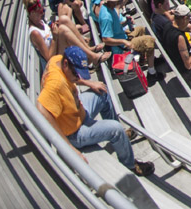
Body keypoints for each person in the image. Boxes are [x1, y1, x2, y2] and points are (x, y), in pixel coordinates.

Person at [36, 46, 154, 176]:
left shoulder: (57, 60)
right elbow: (41, 109)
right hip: (74, 132)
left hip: (78, 110)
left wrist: (89, 83)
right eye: (76, 74)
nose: (77, 77)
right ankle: (130, 165)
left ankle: (120, 137)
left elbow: (72, 77)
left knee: (102, 91)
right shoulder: (55, 84)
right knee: (115, 129)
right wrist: (69, 148)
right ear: (66, 64)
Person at [24, 0, 108, 75]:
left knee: (64, 20)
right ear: (32, 13)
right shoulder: (35, 33)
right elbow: (49, 59)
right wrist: (54, 38)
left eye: (43, 11)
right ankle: (93, 57)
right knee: (63, 30)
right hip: (54, 62)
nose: (42, 14)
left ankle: (89, 49)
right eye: (40, 12)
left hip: (58, 50)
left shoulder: (41, 22)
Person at [96, 0, 158, 80]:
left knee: (141, 29)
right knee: (149, 40)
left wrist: (125, 21)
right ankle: (152, 72)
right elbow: (106, 39)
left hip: (122, 35)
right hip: (120, 45)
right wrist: (124, 42)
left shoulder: (109, 8)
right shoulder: (106, 17)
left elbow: (115, 24)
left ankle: (143, 59)